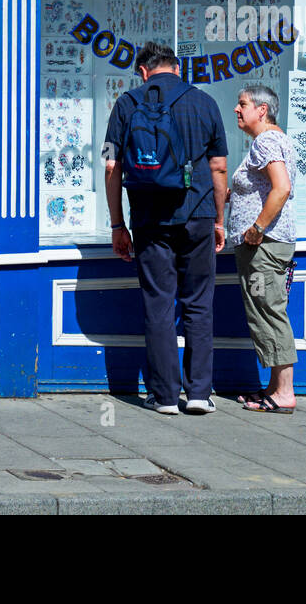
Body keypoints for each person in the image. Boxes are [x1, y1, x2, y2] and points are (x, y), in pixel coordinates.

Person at [104, 42, 229, 416]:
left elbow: (111, 167)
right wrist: (219, 217)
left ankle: (162, 396)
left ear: (143, 71)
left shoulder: (126, 104)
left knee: (159, 304)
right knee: (198, 303)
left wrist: (117, 224)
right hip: (199, 214)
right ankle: (199, 394)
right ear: (176, 68)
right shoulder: (205, 103)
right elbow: (220, 167)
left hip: (149, 218)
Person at [226, 84, 299, 414]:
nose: (237, 110)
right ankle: (274, 387)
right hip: (267, 247)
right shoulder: (271, 140)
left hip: (265, 247)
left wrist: (256, 229)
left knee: (268, 312)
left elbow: (280, 188)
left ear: (262, 110)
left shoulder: (267, 140)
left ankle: (284, 392)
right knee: (265, 310)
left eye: (242, 104)